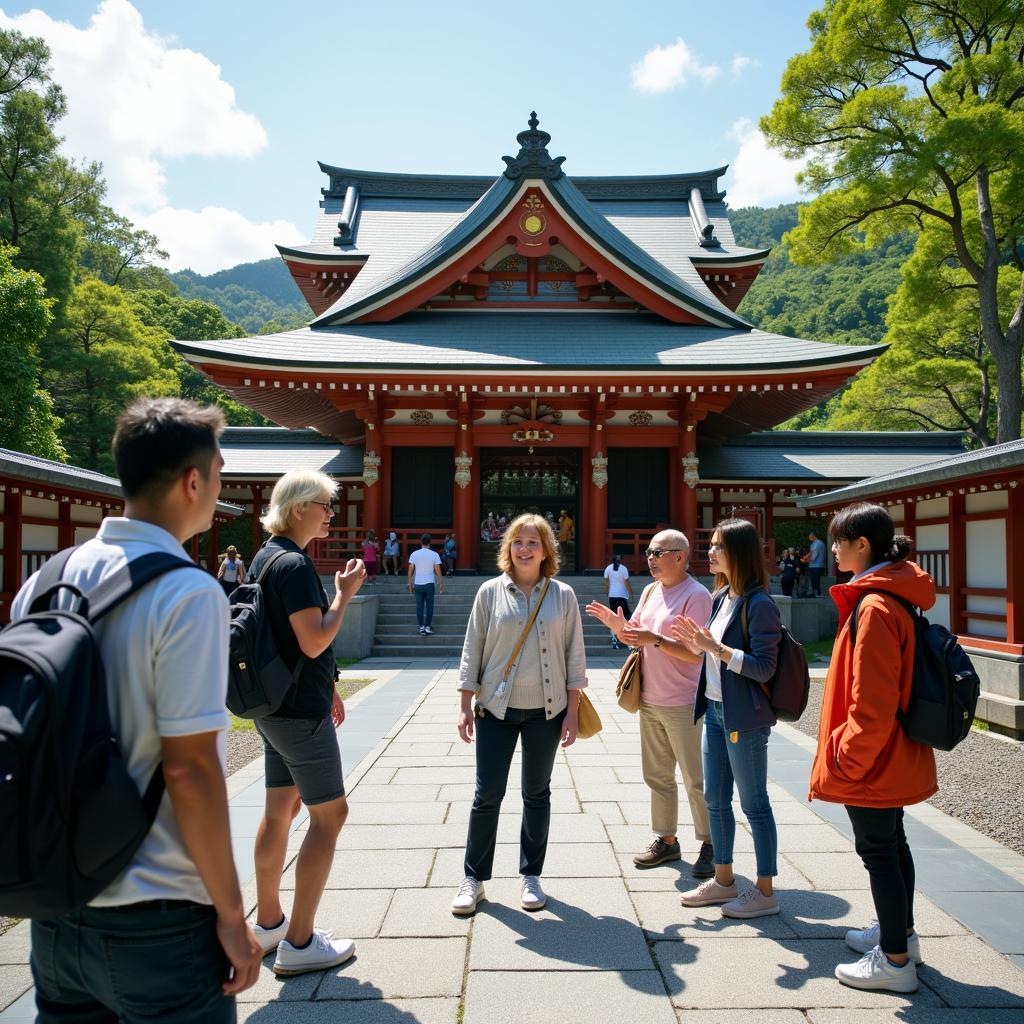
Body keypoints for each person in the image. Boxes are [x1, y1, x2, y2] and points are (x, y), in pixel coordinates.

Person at [11, 397, 262, 1021]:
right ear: (193, 481)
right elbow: (191, 769)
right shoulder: (187, 592)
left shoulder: (43, 582)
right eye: (219, 474)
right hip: (156, 913)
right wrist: (232, 916)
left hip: (56, 902)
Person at [811, 502, 936, 994]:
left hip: (872, 756)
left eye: (839, 541)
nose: (833, 549)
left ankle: (895, 961)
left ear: (863, 545)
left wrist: (848, 757)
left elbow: (873, 699)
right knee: (893, 843)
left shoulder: (876, 605)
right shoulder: (891, 595)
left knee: (878, 850)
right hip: (891, 749)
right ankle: (899, 934)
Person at [250, 470, 366, 976]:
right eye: (324, 505)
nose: (330, 513)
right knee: (329, 816)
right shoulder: (295, 565)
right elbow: (314, 640)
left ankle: (270, 922)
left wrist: (331, 683)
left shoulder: (265, 556)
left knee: (280, 809)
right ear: (298, 507)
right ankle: (298, 942)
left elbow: (285, 640)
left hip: (274, 706)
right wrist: (343, 594)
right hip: (300, 714)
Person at [452, 513, 587, 916]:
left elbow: (574, 656)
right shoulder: (490, 592)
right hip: (496, 708)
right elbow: (471, 650)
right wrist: (463, 705)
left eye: (533, 542)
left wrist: (573, 712)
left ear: (547, 550)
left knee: (537, 793)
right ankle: (473, 878)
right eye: (517, 541)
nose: (524, 549)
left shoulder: (563, 595)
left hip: (547, 710)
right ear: (506, 548)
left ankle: (531, 873)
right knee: (487, 794)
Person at [586, 530, 714, 879]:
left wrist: (654, 640)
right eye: (649, 553)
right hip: (651, 697)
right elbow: (635, 634)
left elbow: (694, 653)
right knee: (657, 775)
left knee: (694, 779)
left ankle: (710, 843)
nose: (651, 558)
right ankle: (667, 839)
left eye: (659, 552)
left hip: (684, 700)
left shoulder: (697, 595)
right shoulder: (650, 590)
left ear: (681, 556)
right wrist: (618, 626)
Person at [673, 517, 783, 919]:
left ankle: (765, 890)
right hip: (716, 710)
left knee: (754, 804)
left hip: (745, 718)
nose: (711, 551)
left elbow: (764, 668)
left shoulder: (759, 604)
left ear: (738, 552)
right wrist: (695, 644)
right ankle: (723, 880)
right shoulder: (721, 598)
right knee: (715, 800)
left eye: (719, 546)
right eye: (712, 544)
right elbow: (709, 650)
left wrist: (714, 648)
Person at [407, 533, 444, 635]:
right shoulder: (434, 554)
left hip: (418, 583)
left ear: (421, 542)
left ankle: (421, 627)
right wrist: (440, 582)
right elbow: (437, 569)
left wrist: (409, 582)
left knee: (419, 606)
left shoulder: (414, 554)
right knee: (429, 606)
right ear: (430, 542)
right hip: (429, 583)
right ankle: (427, 627)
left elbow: (410, 569)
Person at [603, 552, 634, 649]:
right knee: (626, 618)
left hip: (612, 596)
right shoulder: (623, 569)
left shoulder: (608, 568)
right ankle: (628, 641)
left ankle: (614, 639)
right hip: (622, 596)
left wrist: (607, 593)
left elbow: (607, 583)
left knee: (613, 618)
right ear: (620, 560)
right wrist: (631, 594)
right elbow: (627, 583)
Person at [807, 530, 826, 596]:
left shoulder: (818, 543)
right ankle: (815, 593)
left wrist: (806, 560)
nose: (808, 537)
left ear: (812, 535)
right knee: (813, 580)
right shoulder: (812, 544)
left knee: (816, 580)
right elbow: (811, 554)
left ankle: (818, 593)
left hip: (817, 565)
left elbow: (814, 556)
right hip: (813, 565)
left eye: (809, 536)